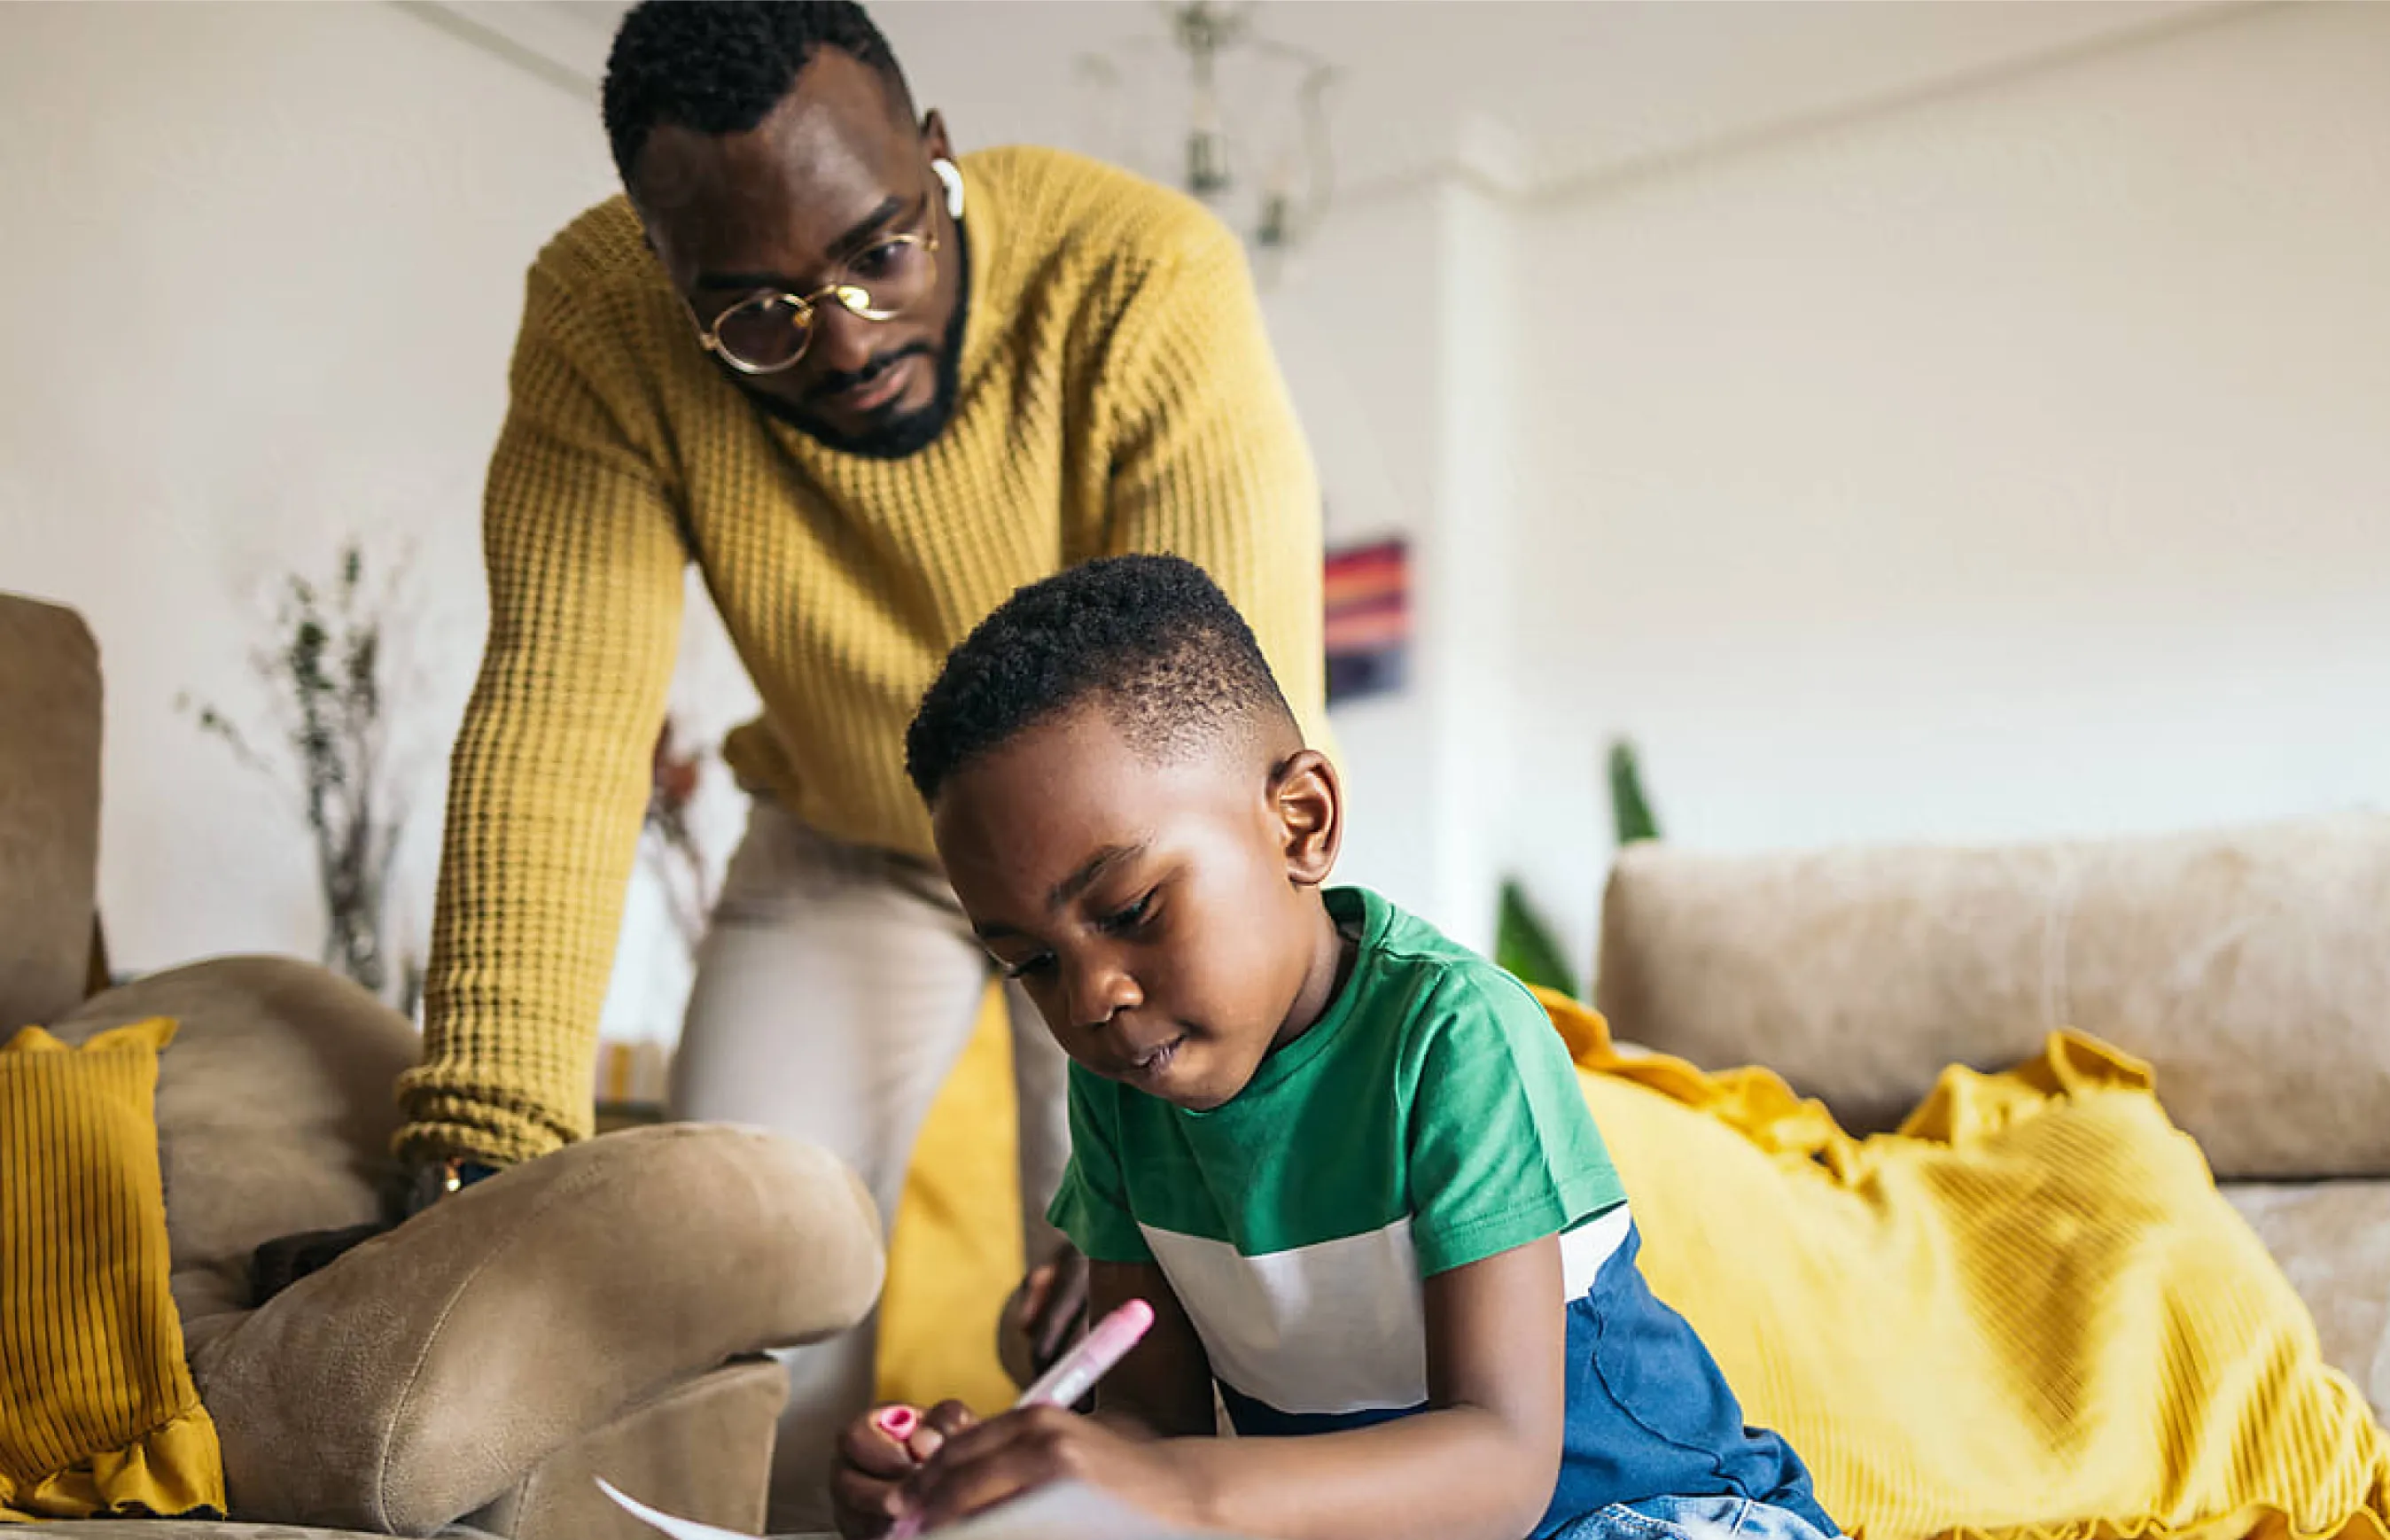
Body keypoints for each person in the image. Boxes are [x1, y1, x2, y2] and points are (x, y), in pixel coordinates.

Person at [372, 1, 1322, 1523]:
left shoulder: (1146, 282)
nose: (849, 339)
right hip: (840, 839)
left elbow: (1222, 746)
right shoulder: (604, 324)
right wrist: (482, 1144)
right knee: (743, 1302)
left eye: (881, 252)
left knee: (1149, 1307)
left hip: (1113, 865)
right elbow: (557, 717)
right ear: (668, 271)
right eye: (754, 311)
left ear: (936, 160)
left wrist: (1144, 1172)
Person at [837, 556, 1836, 1540]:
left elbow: (1500, 1467)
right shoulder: (1123, 1088)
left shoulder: (1451, 1037)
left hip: (1649, 1513)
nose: (1094, 996)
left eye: (1134, 909)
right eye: (1034, 965)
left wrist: (1169, 1486)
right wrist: (991, 1487)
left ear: (1300, 822)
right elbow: (1151, 1427)